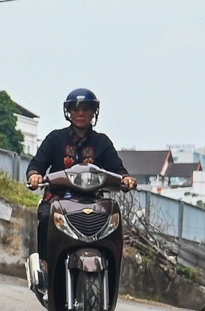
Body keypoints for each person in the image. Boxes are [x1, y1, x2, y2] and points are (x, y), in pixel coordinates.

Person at [26, 87, 136, 257]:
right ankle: (46, 264)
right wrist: (34, 175)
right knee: (47, 218)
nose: (81, 113)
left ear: (94, 113)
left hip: (94, 203)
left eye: (86, 109)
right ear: (68, 112)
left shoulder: (102, 142)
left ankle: (110, 267)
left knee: (114, 220)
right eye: (76, 109)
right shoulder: (55, 139)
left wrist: (126, 179)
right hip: (58, 200)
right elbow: (37, 164)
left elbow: (118, 169)